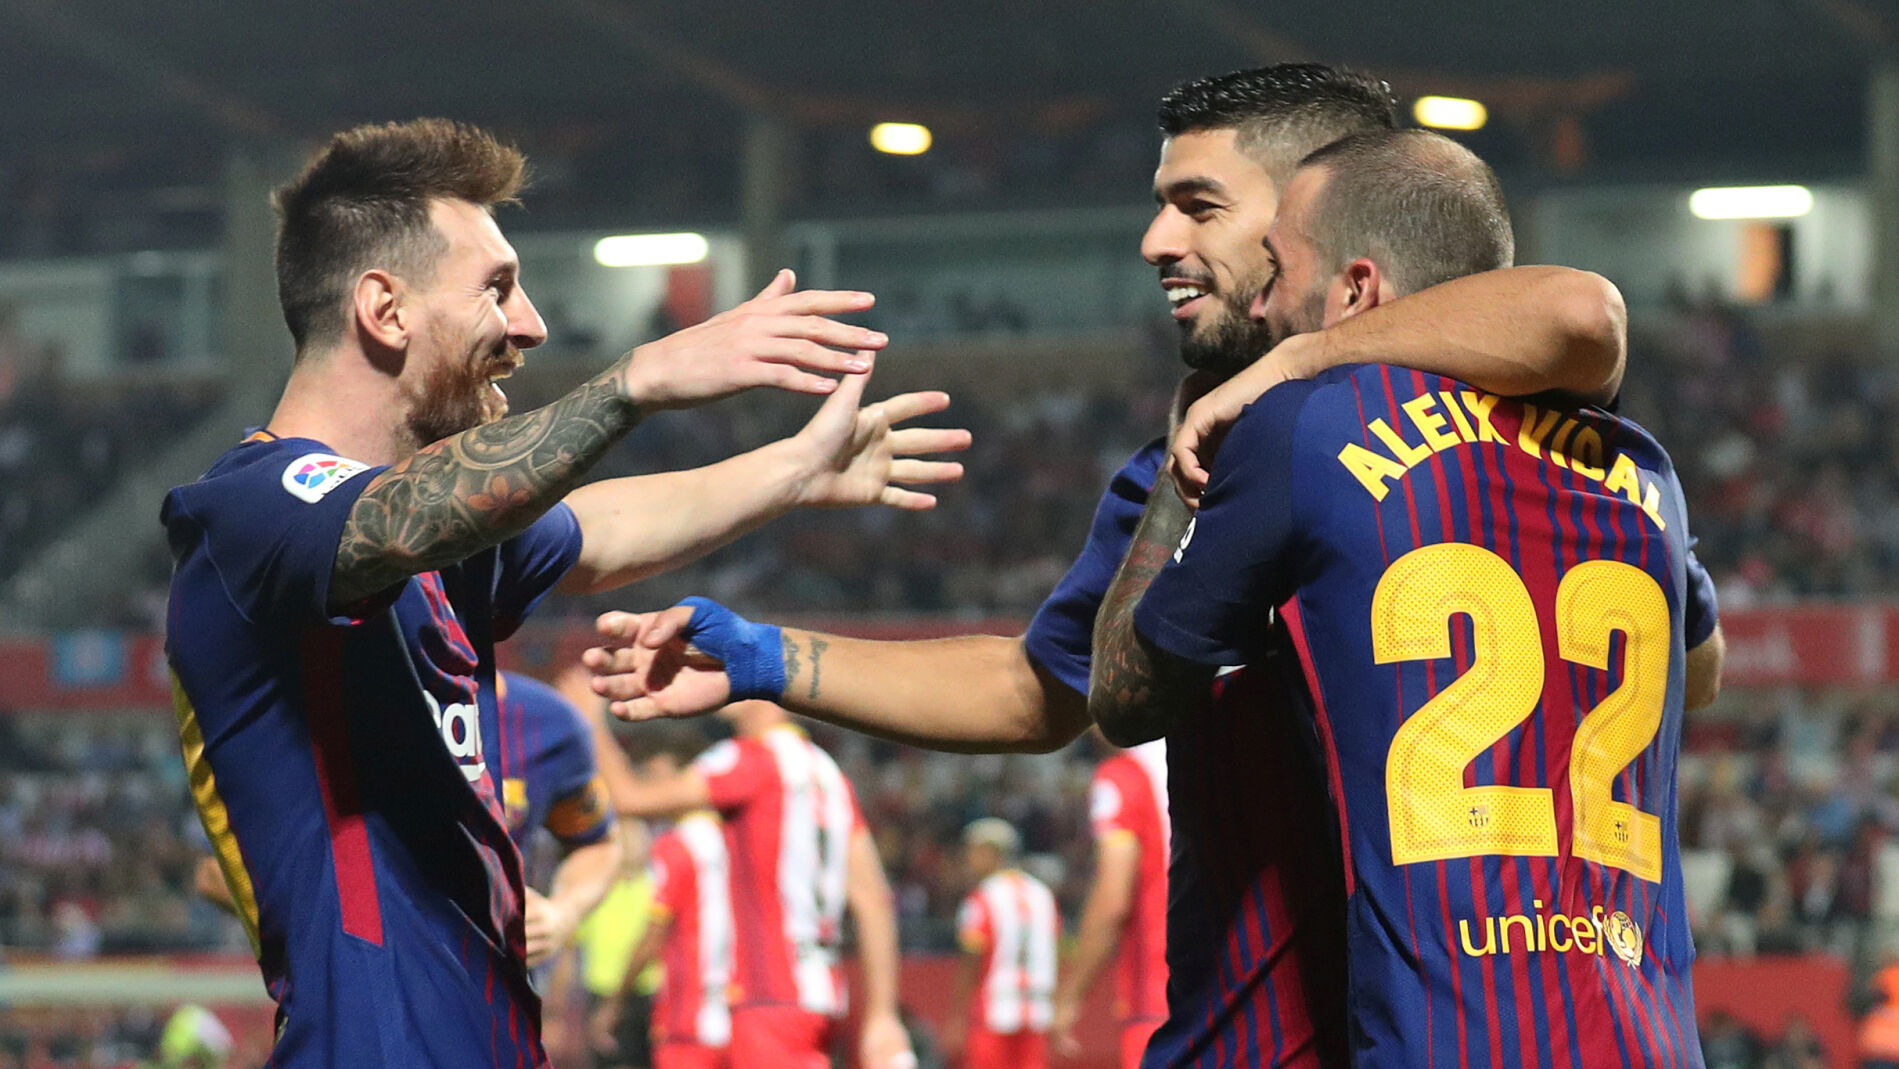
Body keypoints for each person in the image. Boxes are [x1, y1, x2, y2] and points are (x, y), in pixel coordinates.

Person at [584, 64, 1628, 1069]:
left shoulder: (1256, 454)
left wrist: (1285, 374)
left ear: (1315, 212)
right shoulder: (1601, 466)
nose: (1156, 240)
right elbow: (1041, 689)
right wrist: (768, 655)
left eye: (1199, 204)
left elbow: (1576, 312)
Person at [162, 118, 965, 1068]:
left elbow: (596, 530)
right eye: (497, 288)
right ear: (384, 309)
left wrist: (793, 468)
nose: (531, 323)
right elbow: (405, 515)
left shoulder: (440, 547)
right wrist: (634, 381)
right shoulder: (252, 511)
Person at [1091, 129, 1726, 1065]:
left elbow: (1128, 693)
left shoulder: (1305, 424)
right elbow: (1701, 670)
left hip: (1447, 1039)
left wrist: (1196, 450)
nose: (1262, 299)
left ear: (1353, 291)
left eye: (1277, 267)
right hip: (1651, 1039)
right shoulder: (1642, 469)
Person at [603, 701, 912, 1069]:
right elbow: (872, 899)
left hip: (767, 994)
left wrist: (586, 719)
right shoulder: (830, 776)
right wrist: (882, 1013)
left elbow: (629, 798)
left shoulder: (748, 759)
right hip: (819, 992)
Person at [586, 727, 734, 1069]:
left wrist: (614, 1003)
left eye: (657, 776)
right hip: (737, 1011)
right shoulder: (730, 837)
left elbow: (654, 935)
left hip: (689, 1016)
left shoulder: (678, 845)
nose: (652, 789)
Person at [491, 671, 624, 969]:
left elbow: (598, 843)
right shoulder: (369, 707)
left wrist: (563, 913)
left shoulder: (548, 724)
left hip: (490, 985)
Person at [1049, 737, 1166, 1068]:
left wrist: (1070, 996)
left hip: (1158, 991)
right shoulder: (1208, 755)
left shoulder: (1124, 776)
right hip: (1234, 988)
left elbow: (1114, 897)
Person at [945, 818, 1058, 1069]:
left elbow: (971, 958)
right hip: (1038, 1008)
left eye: (973, 851)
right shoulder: (1042, 894)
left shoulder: (983, 897)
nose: (969, 859)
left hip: (994, 1009)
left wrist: (957, 1014)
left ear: (991, 852)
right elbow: (1054, 950)